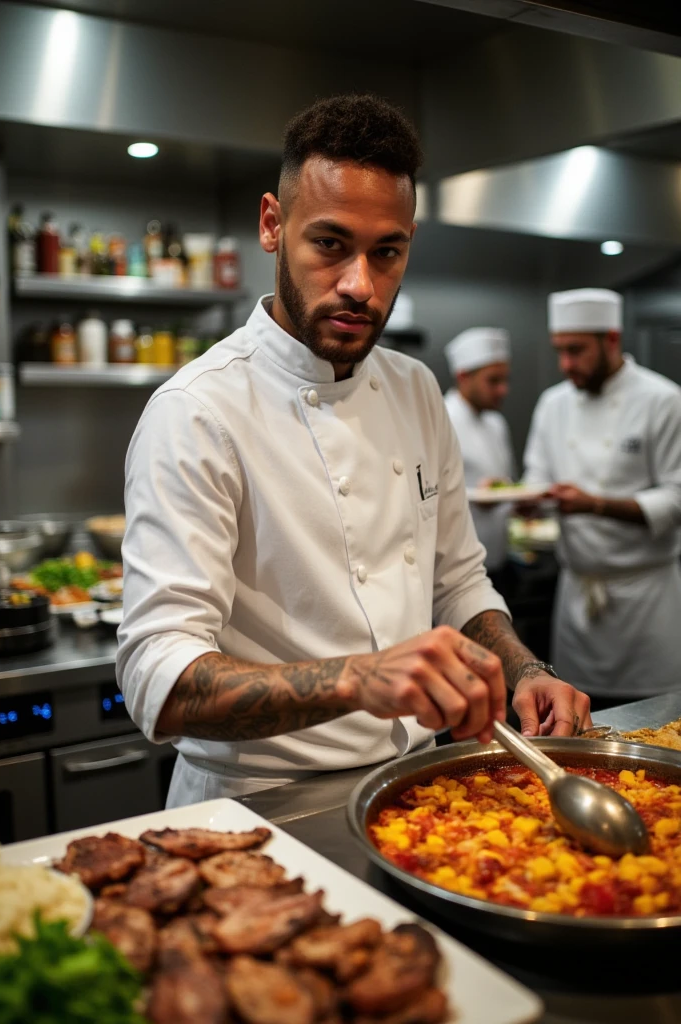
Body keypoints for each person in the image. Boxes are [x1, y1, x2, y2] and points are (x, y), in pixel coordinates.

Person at [117, 95, 591, 809]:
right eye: (330, 244)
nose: (359, 286)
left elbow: (458, 581)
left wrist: (525, 671)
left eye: (387, 253)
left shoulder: (415, 389)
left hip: (416, 789)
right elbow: (157, 675)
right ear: (273, 225)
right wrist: (358, 679)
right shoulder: (197, 412)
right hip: (256, 804)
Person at [524, 287, 681, 706]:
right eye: (560, 350)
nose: (566, 365)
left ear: (611, 339)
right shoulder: (552, 404)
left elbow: (676, 498)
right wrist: (528, 498)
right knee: (575, 717)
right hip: (577, 597)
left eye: (576, 350)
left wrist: (594, 504)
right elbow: (537, 476)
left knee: (654, 722)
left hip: (646, 601)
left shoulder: (662, 400)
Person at [444, 328, 515, 591]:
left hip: (499, 560)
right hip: (457, 571)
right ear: (463, 376)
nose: (503, 390)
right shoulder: (441, 418)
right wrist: (475, 497)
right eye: (493, 381)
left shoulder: (496, 423)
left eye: (505, 380)